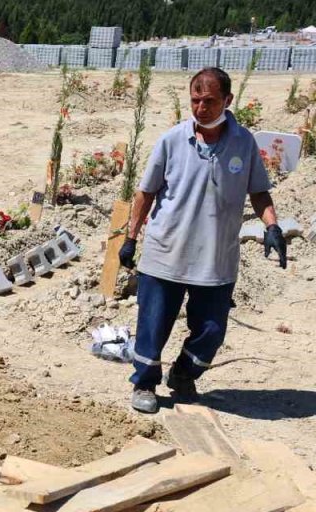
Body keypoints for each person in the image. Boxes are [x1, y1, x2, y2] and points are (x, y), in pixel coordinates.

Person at [119, 67, 285, 414]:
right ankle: (145, 383)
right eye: (195, 100)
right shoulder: (172, 141)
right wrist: (130, 238)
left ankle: (183, 374)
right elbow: (145, 193)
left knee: (211, 330)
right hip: (166, 252)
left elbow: (259, 193)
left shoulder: (244, 143)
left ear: (227, 100)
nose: (201, 108)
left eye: (209, 101)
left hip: (216, 257)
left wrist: (272, 226)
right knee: (152, 324)